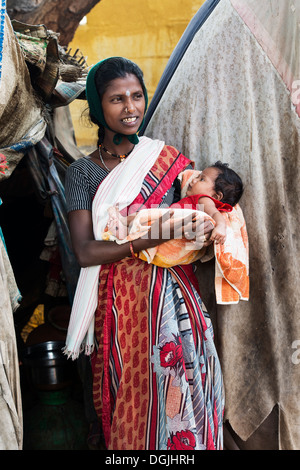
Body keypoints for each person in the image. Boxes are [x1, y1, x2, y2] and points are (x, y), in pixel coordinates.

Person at [64, 57, 224, 450]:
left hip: (176, 300)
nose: (130, 108)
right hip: (122, 309)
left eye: (137, 96)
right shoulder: (83, 173)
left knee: (189, 394)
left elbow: (203, 202)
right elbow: (85, 251)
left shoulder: (164, 159)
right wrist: (152, 237)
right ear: (97, 106)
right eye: (117, 99)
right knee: (138, 399)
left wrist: (207, 225)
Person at [102, 161, 244, 250]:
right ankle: (124, 230)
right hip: (169, 222)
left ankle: (121, 222)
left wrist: (220, 226)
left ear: (216, 196)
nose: (193, 180)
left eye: (201, 179)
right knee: (145, 223)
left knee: (144, 215)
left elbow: (215, 214)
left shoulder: (205, 200)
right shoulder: (200, 198)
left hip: (172, 221)